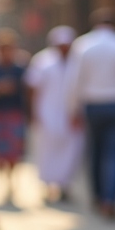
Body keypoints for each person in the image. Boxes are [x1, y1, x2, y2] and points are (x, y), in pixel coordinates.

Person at [65, 8, 115, 217]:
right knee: (114, 153)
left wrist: (73, 108)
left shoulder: (83, 45)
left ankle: (97, 195)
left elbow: (74, 80)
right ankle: (110, 199)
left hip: (93, 105)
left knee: (95, 151)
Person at [25, 26, 83, 203]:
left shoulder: (78, 61)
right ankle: (48, 185)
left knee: (71, 149)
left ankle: (64, 185)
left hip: (71, 114)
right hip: (47, 112)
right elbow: (33, 88)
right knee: (47, 149)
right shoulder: (42, 61)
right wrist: (33, 112)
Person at [0, 29, 29, 201]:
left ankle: (11, 183)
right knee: (0, 154)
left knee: (14, 154)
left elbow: (27, 91)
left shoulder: (20, 68)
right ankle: (4, 182)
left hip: (14, 114)